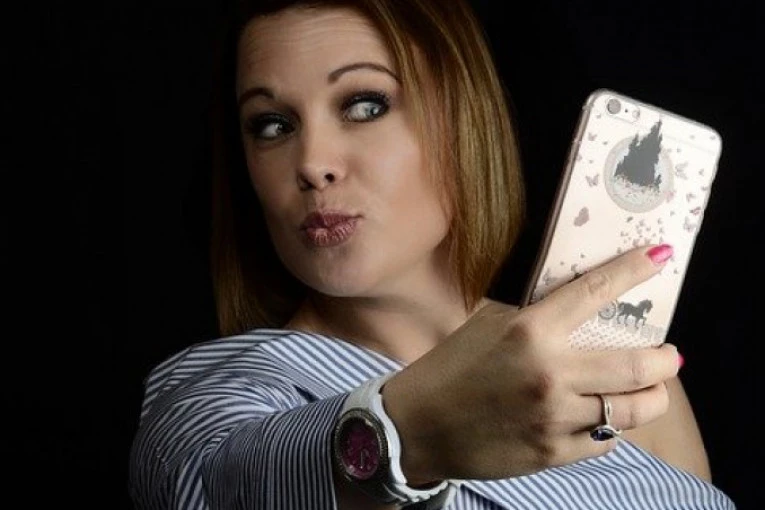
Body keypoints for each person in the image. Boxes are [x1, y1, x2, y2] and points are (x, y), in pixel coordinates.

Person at [128, 0, 736, 508]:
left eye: (365, 105)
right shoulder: (222, 389)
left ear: (463, 119)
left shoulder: (609, 371)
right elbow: (206, 482)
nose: (312, 163)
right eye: (272, 125)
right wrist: (412, 436)